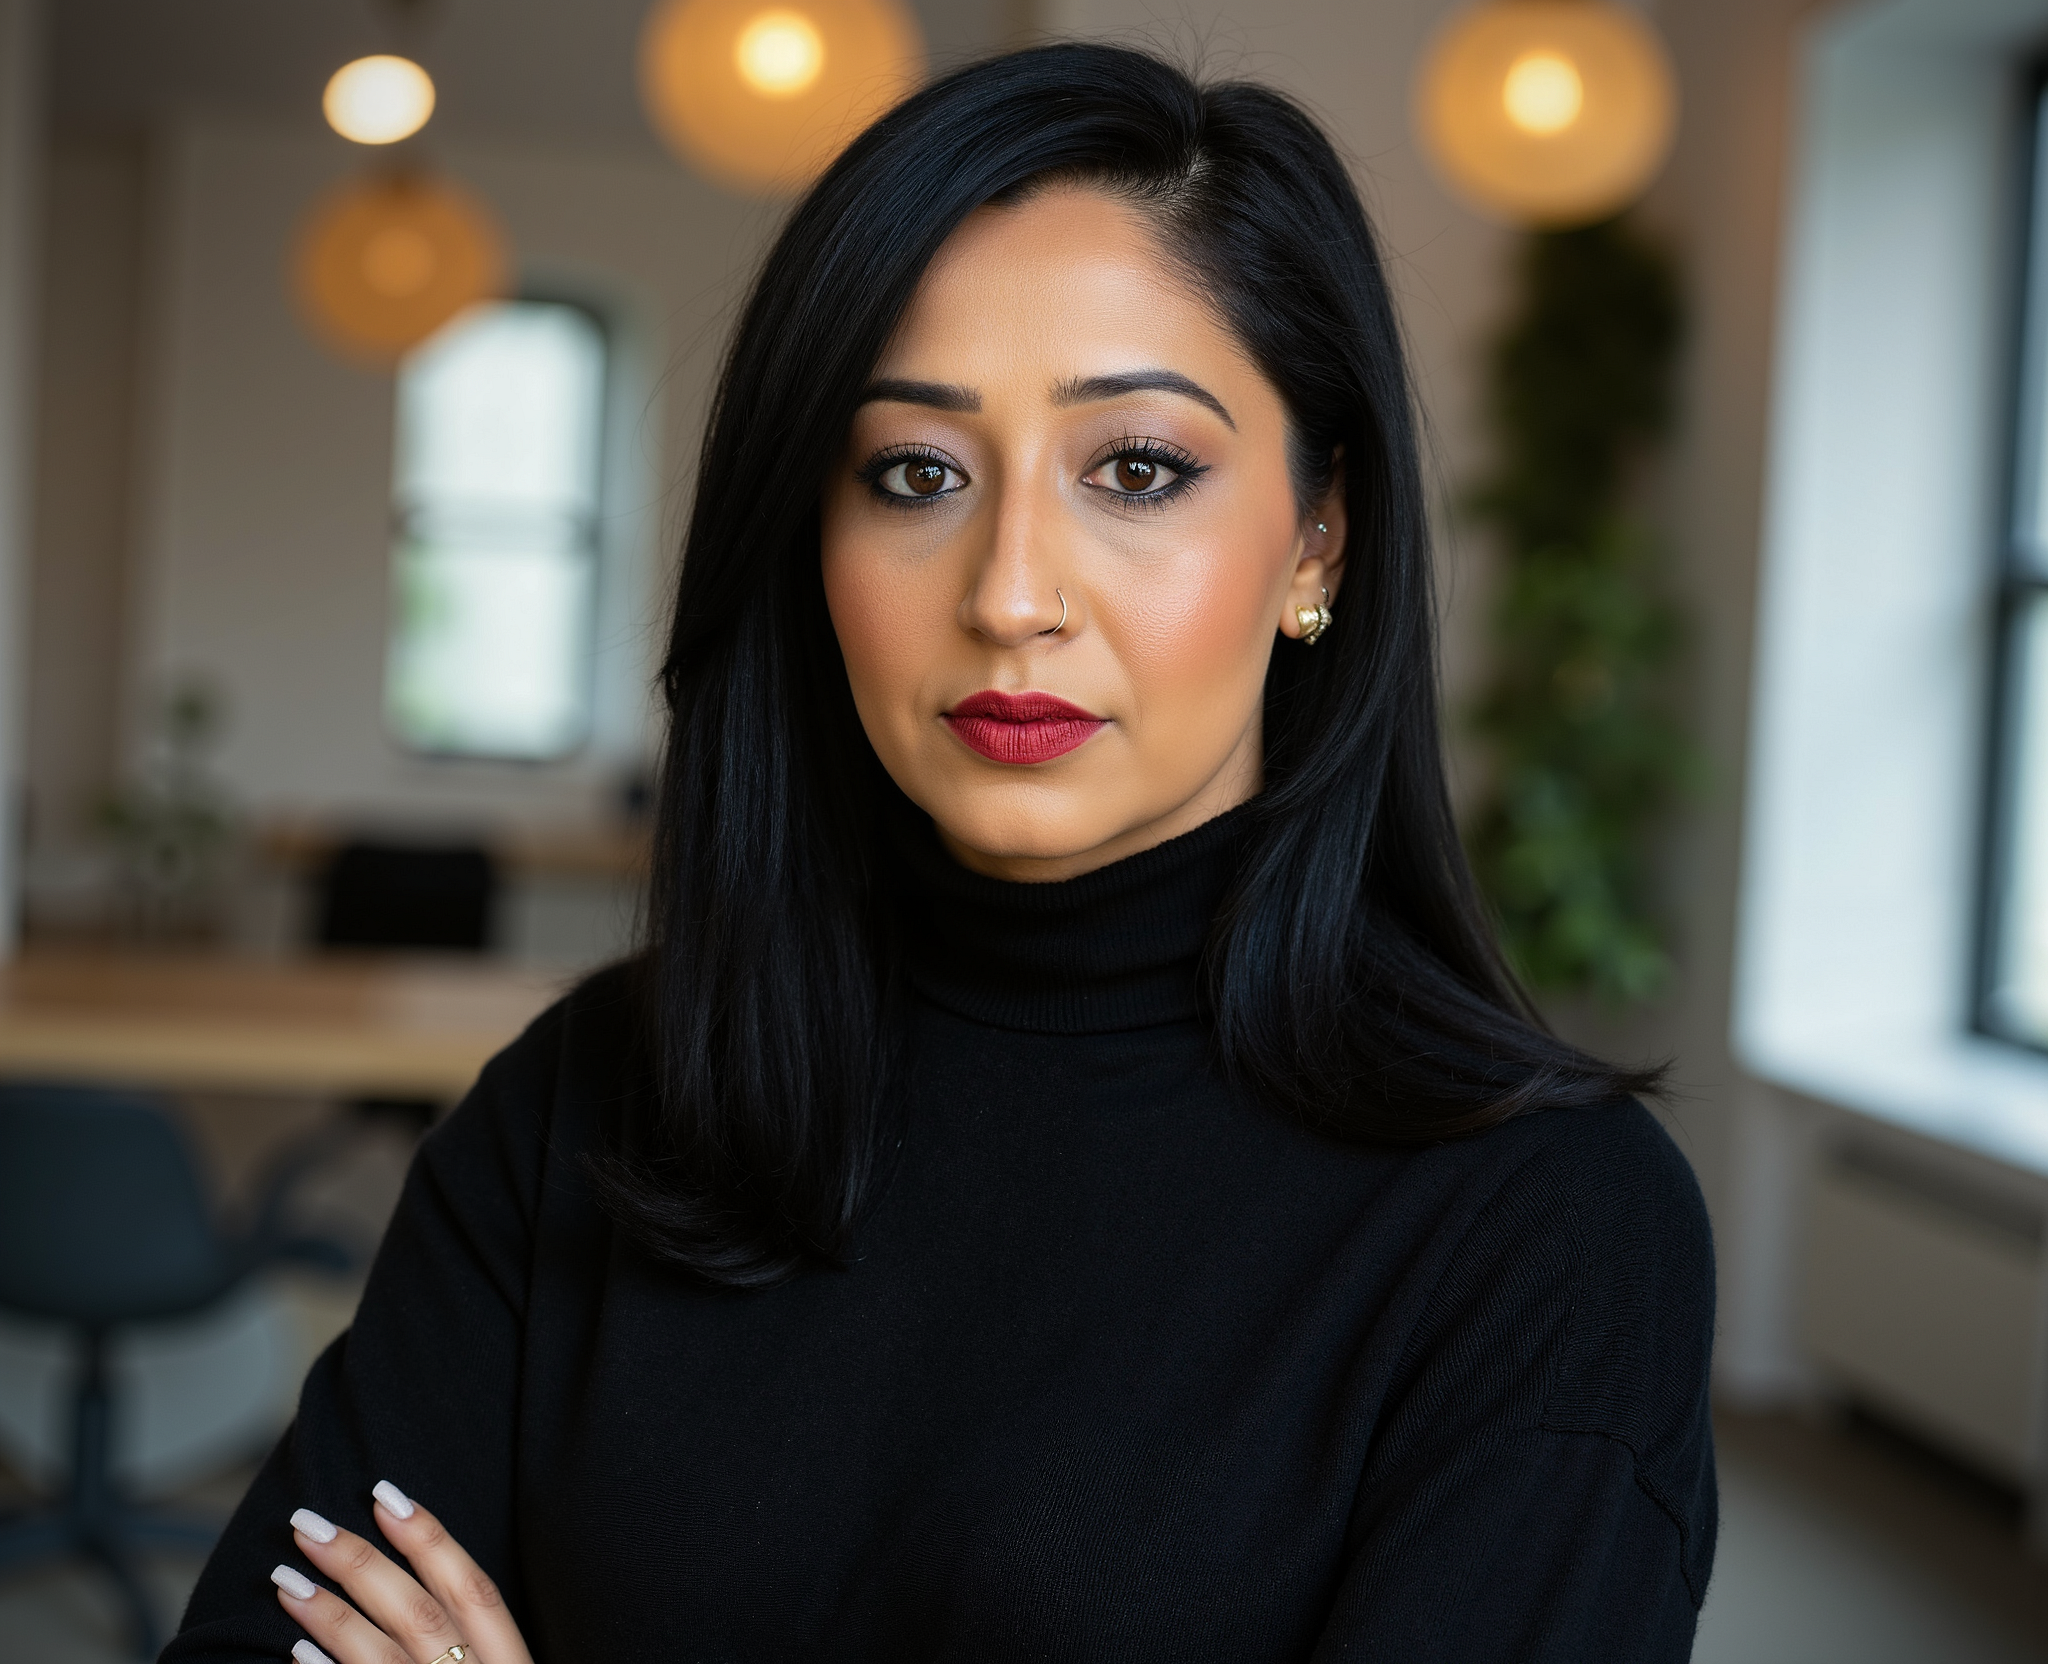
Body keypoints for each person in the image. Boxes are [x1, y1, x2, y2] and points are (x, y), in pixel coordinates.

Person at [166, 42, 1715, 1664]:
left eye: (1137, 469)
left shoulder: (1547, 1236)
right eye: (916, 475)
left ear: (1319, 535)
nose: (1010, 592)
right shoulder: (596, 1099)